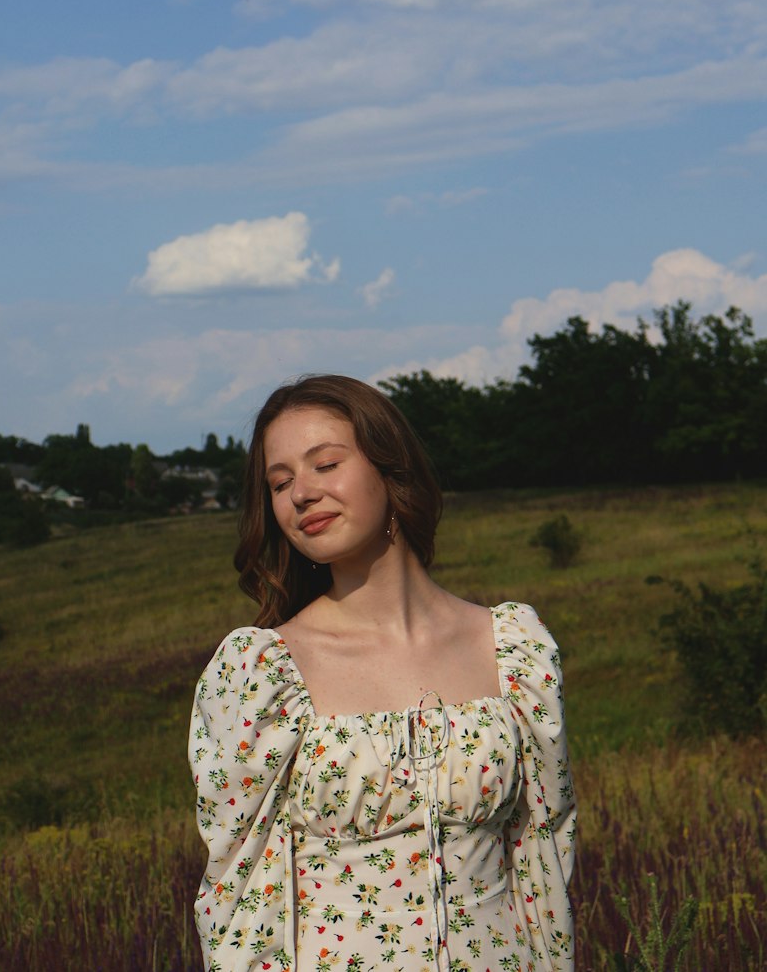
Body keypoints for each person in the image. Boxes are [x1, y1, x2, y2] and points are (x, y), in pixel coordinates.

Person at [189, 374, 576, 972]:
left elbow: (545, 855)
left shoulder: (514, 650)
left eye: (325, 465)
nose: (301, 495)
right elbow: (239, 899)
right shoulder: (261, 674)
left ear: (390, 470)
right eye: (281, 482)